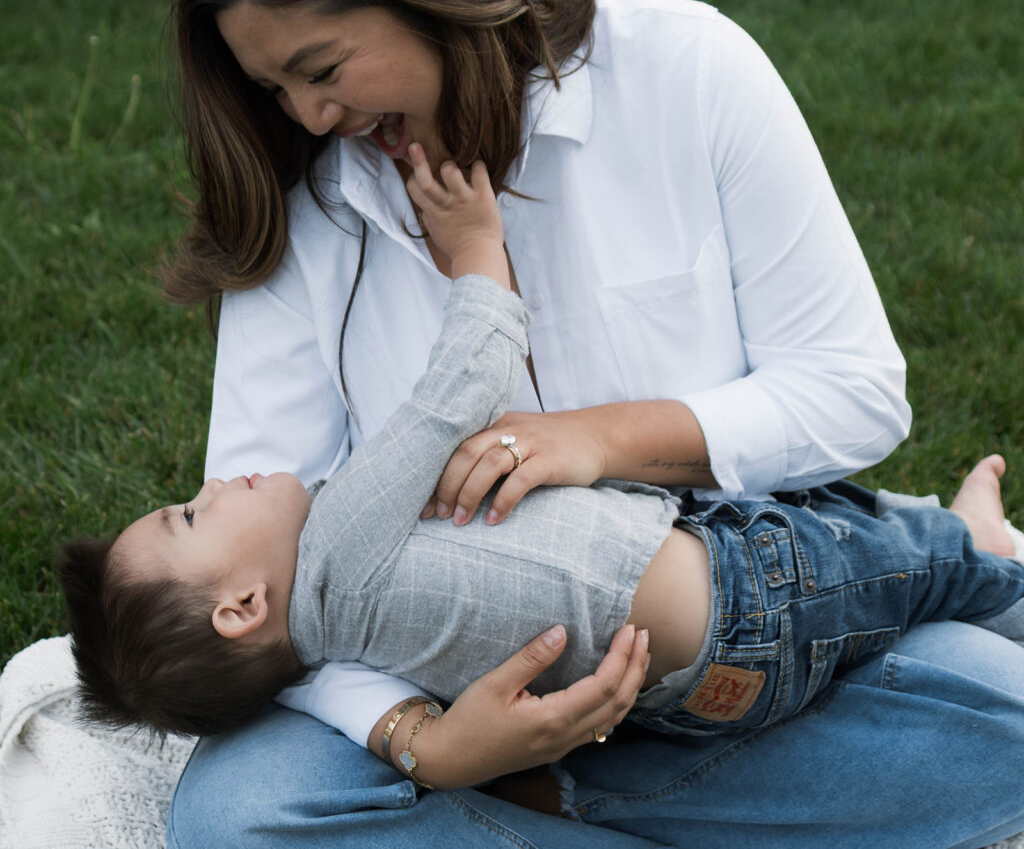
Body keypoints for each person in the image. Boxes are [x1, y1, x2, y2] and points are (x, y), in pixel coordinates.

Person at [160, 0, 1024, 845]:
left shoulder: (682, 65)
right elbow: (254, 589)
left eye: (322, 68)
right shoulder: (298, 201)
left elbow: (855, 391)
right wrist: (422, 742)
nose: (310, 115)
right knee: (243, 814)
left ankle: (548, 801)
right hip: (449, 704)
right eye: (275, 89)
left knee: (1003, 709)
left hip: (732, 638)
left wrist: (599, 437)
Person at [59, 148, 1024, 784]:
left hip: (685, 692)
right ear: (241, 609)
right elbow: (459, 389)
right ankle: (984, 558)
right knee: (907, 564)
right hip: (750, 596)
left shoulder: (347, 649)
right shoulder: (341, 544)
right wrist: (476, 252)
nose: (218, 481)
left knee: (852, 528)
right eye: (191, 515)